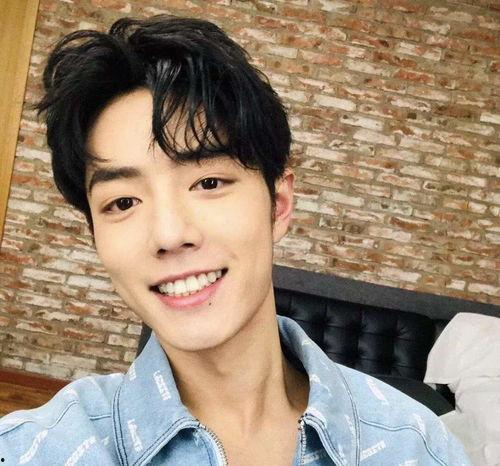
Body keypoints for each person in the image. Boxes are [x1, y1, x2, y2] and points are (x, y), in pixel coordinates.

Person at [0, 15, 470, 465]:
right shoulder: (34, 447)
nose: (169, 235)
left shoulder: (415, 445)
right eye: (123, 202)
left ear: (277, 205)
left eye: (208, 183)